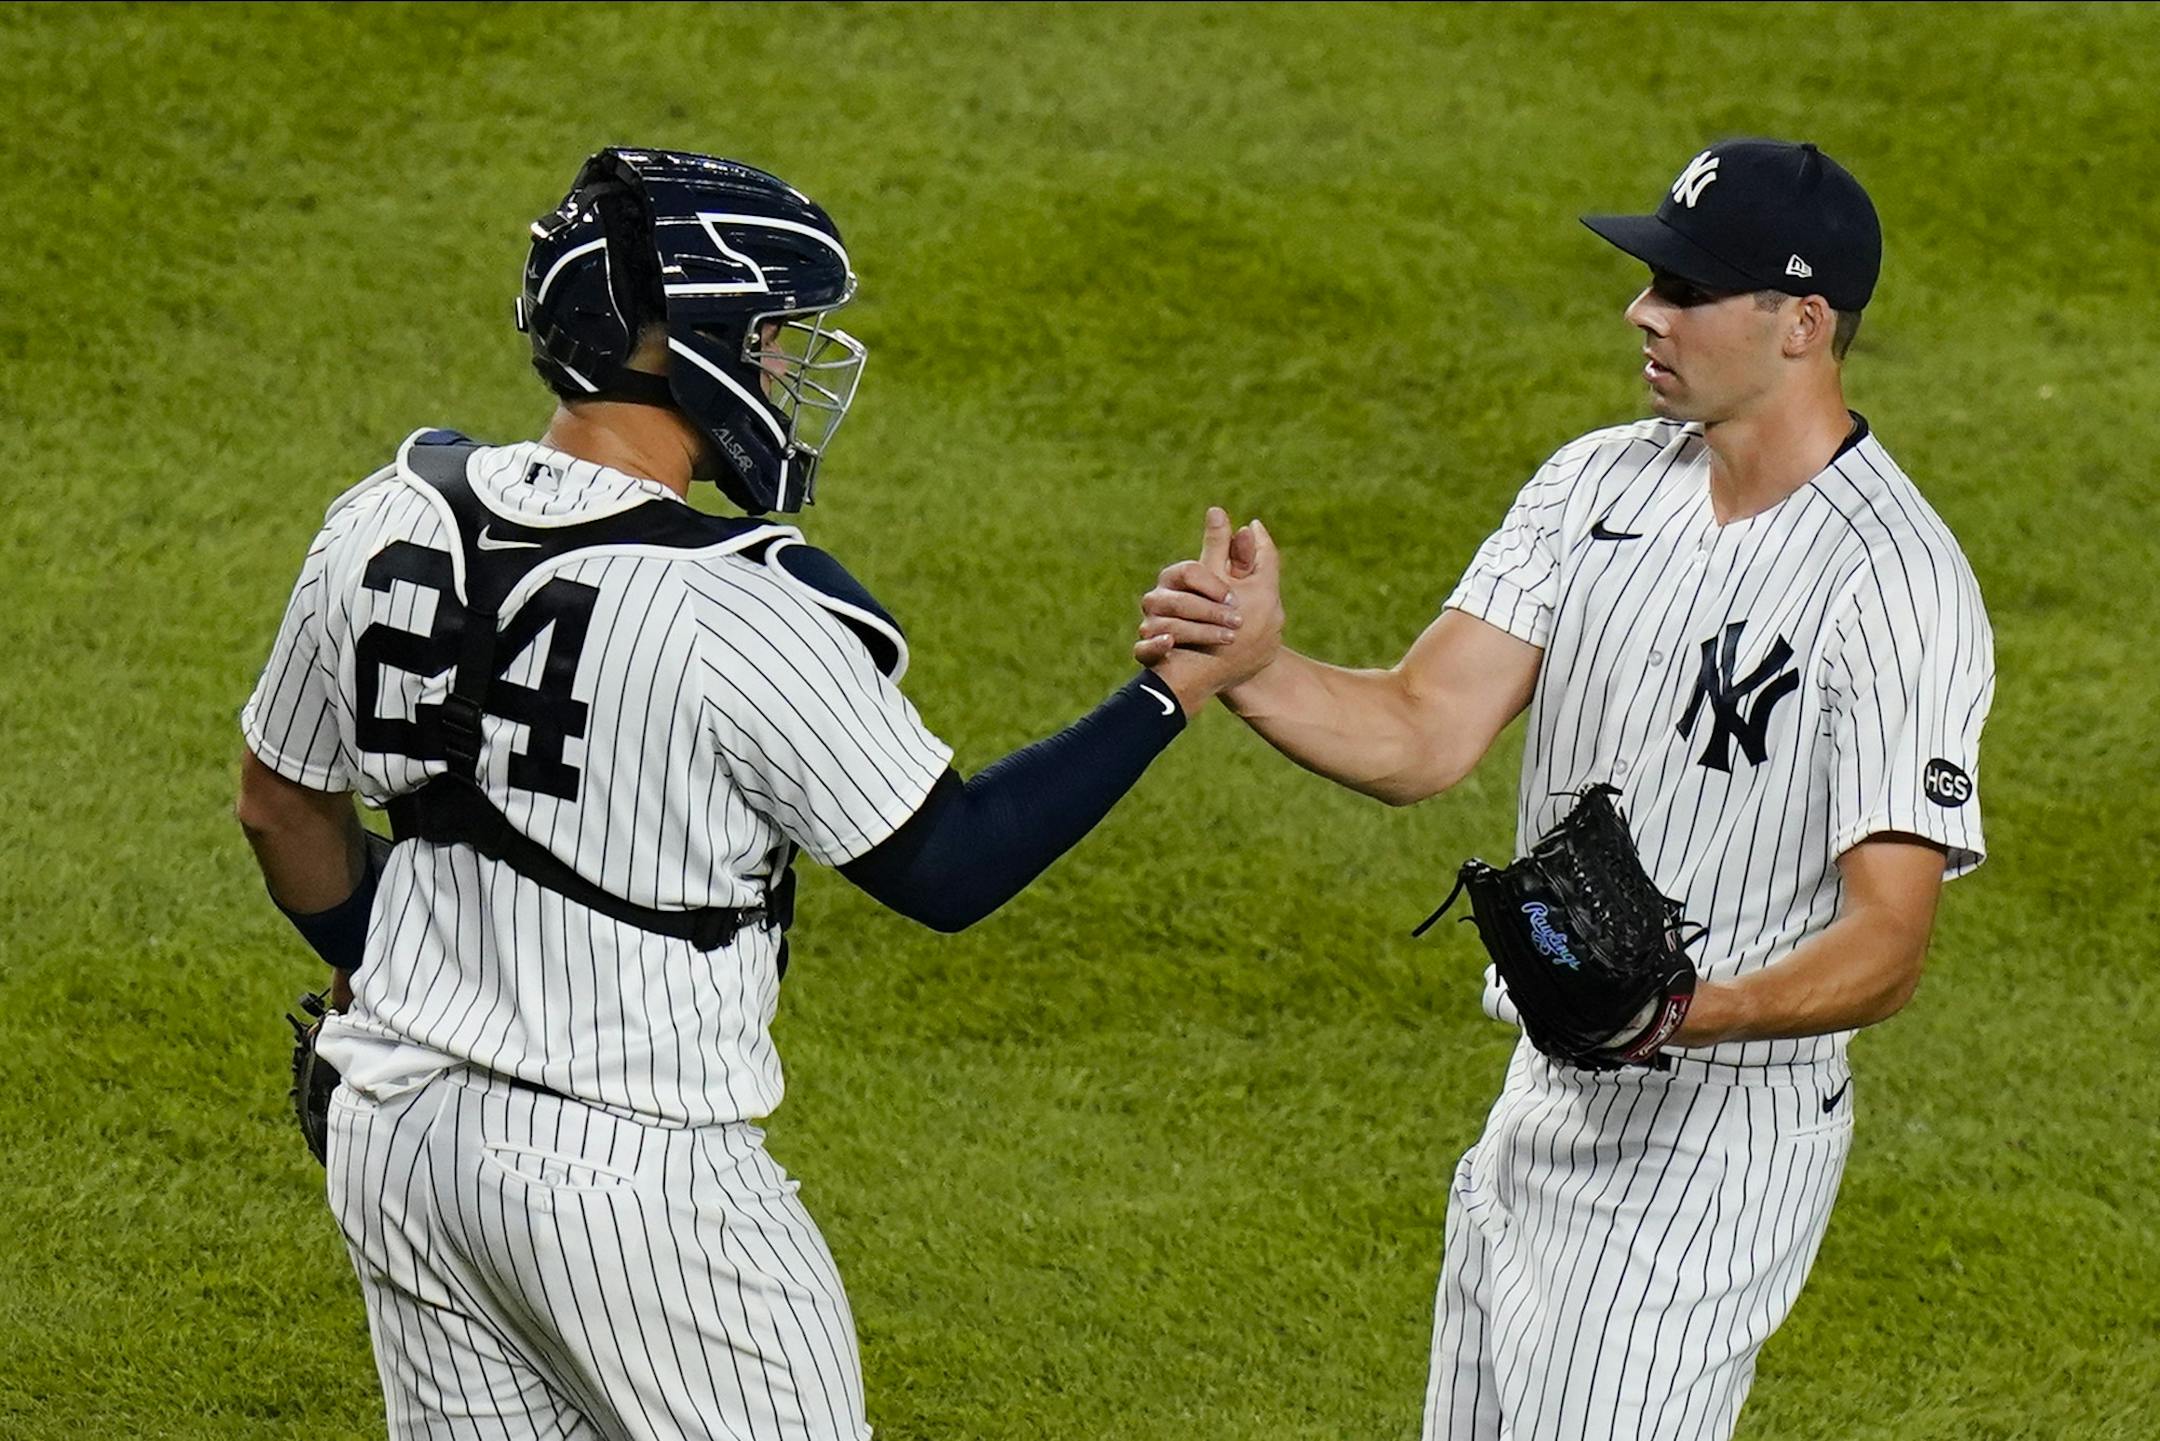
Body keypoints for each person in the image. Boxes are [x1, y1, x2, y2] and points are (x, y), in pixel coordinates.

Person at [235, 146, 1271, 1441]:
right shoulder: (745, 600)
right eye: (775, 333)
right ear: (693, 341)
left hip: (395, 1131)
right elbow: (945, 866)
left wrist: (391, 975)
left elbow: (281, 811)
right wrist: (1175, 689)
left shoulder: (380, 517)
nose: (788, 369)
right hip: (637, 1187)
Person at [1138, 138, 1995, 1440]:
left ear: (1803, 324)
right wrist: (1253, 667)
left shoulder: (1895, 584)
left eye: (1686, 288)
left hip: (1713, 1146)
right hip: (1545, 1100)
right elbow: (1425, 727)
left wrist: (1678, 1012)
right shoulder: (1598, 480)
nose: (1642, 309)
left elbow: (1889, 941)